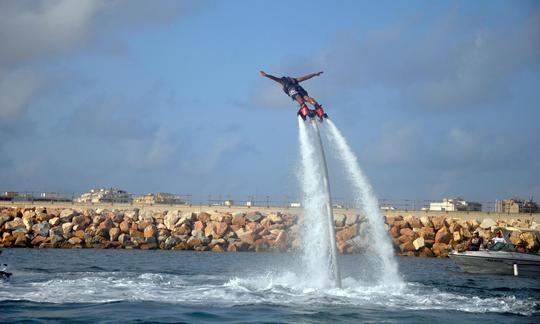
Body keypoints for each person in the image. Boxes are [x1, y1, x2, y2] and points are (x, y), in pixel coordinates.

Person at [260, 70, 327, 120]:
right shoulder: (295, 80)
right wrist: (315, 74)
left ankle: (304, 108)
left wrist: (266, 75)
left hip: (291, 90)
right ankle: (318, 108)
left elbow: (274, 78)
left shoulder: (282, 81)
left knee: (297, 97)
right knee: (306, 98)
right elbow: (306, 77)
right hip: (300, 89)